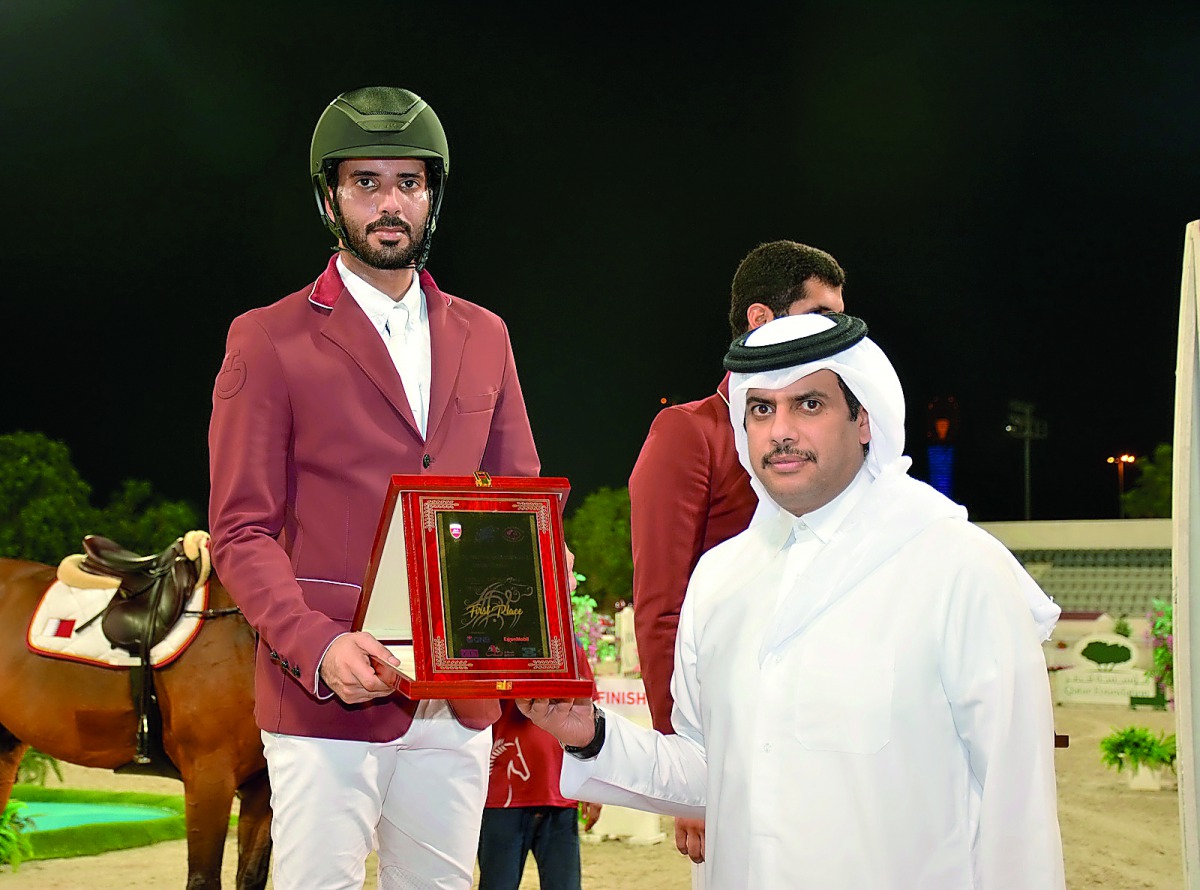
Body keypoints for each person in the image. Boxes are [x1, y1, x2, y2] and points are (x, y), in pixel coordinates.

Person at [521, 312, 1066, 889]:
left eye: (809, 404)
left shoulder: (958, 567)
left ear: (863, 420)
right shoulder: (720, 578)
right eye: (761, 408)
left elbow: (1018, 810)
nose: (780, 430)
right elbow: (709, 771)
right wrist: (593, 734)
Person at [208, 86, 542, 890]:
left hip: (456, 697)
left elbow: (518, 498)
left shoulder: (485, 333)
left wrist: (519, 631)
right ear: (330, 197)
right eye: (367, 182)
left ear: (433, 195)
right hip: (329, 691)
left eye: (410, 183)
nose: (390, 203)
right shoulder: (268, 337)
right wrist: (317, 646)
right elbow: (240, 531)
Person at [628, 240, 845, 864]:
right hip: (733, 740)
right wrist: (686, 776)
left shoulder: (833, 439)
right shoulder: (688, 434)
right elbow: (660, 608)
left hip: (826, 733)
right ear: (760, 320)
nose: (837, 334)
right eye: (820, 316)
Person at [477, 646, 601, 890]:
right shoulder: (488, 644)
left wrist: (593, 782)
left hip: (559, 790)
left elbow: (589, 716)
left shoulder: (567, 647)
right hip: (501, 792)